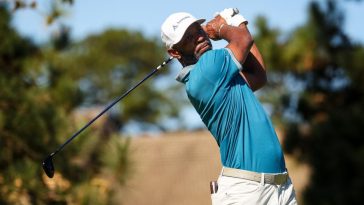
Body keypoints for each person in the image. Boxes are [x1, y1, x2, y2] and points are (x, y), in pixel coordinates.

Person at [161, 8, 297, 205]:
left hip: (280, 186)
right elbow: (243, 41)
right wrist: (223, 27)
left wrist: (236, 23)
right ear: (174, 52)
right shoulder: (209, 68)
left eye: (198, 30)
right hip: (247, 191)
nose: (198, 37)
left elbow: (258, 77)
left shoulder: (219, 72)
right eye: (188, 38)